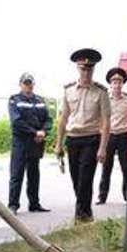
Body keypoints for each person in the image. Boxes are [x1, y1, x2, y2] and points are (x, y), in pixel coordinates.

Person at [54, 48, 110, 223]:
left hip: (91, 139)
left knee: (86, 178)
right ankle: (85, 211)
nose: (86, 72)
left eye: (89, 69)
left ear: (93, 70)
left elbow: (106, 121)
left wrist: (102, 148)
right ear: (78, 69)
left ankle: (81, 216)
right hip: (73, 139)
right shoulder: (68, 90)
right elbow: (63, 118)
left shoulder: (101, 92)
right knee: (76, 179)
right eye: (83, 68)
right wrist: (59, 144)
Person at [7, 72, 52, 215]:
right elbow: (17, 121)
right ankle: (13, 205)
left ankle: (34, 204)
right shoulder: (14, 100)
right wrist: (35, 132)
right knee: (17, 175)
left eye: (30, 83)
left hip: (36, 142)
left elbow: (48, 119)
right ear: (20, 85)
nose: (28, 86)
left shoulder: (40, 100)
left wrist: (44, 132)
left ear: (34, 84)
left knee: (34, 175)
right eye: (26, 83)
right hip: (21, 142)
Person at [97, 67, 127, 205]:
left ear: (122, 84)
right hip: (109, 135)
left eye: (119, 82)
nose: (117, 85)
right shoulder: (105, 99)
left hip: (124, 135)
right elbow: (99, 117)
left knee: (126, 168)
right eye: (114, 82)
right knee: (106, 168)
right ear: (110, 84)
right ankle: (102, 196)